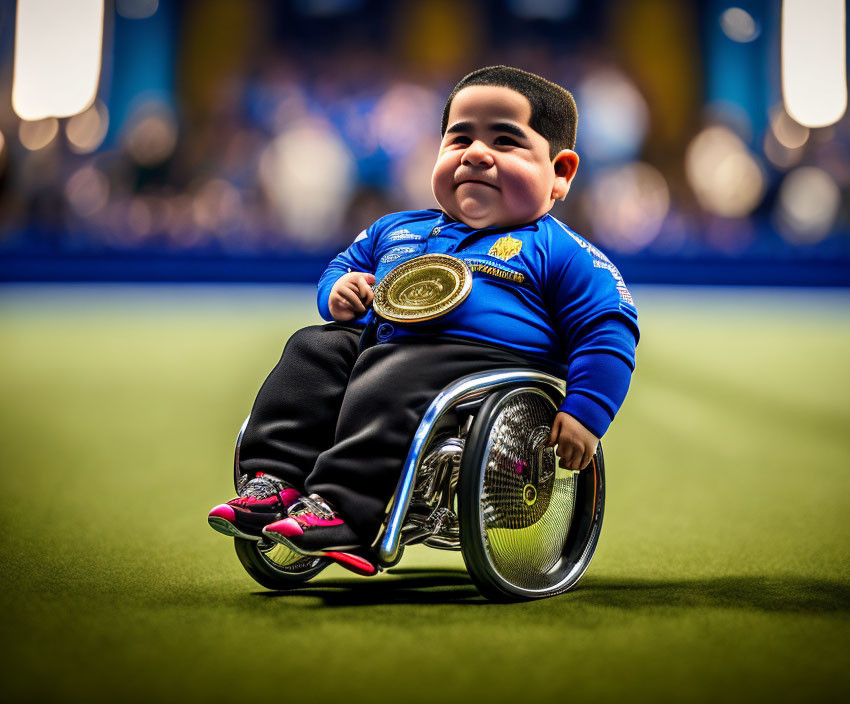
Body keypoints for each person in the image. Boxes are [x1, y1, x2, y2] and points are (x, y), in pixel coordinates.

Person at [207, 65, 640, 576]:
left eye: (505, 141)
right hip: (385, 345)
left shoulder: (559, 250)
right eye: (459, 139)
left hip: (479, 367)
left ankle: (343, 509)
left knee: (397, 371)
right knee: (313, 349)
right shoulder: (397, 228)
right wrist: (338, 291)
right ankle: (274, 480)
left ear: (561, 173)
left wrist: (587, 412)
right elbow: (344, 266)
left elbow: (608, 327)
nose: (476, 153)